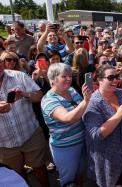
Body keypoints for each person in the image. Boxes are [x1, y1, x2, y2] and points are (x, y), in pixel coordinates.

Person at [82, 65, 122, 187]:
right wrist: (118, 115)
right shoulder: (93, 102)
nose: (115, 80)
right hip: (108, 158)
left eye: (117, 77)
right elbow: (96, 134)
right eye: (110, 77)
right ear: (100, 80)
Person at [0, 52, 49, 187]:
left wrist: (25, 95)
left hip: (30, 134)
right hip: (5, 144)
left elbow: (39, 96)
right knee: (16, 176)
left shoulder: (19, 76)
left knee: (40, 168)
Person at [41, 63, 91, 186]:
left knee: (79, 174)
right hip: (66, 148)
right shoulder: (48, 100)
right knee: (68, 180)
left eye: (70, 76)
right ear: (53, 79)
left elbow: (83, 110)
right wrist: (86, 101)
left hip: (82, 141)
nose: (69, 79)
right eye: (64, 76)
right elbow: (67, 118)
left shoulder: (71, 90)